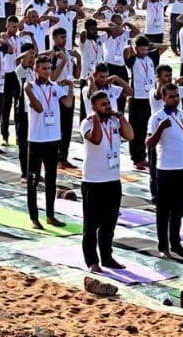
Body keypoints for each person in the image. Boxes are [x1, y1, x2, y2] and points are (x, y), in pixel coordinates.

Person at [80, 90, 133, 272]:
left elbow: (130, 136)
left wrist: (121, 117)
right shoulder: (87, 123)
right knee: (91, 224)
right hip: (93, 181)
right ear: (94, 107)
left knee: (109, 223)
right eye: (103, 104)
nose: (108, 107)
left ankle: (107, 257)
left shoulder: (114, 122)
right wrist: (96, 120)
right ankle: (92, 261)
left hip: (112, 179)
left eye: (108, 103)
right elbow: (96, 139)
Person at [146, 82, 183, 256]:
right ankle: (163, 245)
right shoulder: (156, 117)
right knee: (163, 210)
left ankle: (175, 242)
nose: (175, 99)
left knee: (178, 208)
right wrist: (160, 129)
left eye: (177, 96)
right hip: (166, 169)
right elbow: (149, 144)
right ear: (163, 98)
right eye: (171, 96)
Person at [24, 52, 68, 229]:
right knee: (33, 179)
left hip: (53, 138)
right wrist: (27, 90)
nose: (47, 72)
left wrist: (70, 88)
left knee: (52, 179)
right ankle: (34, 216)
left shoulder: (54, 87)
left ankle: (50, 215)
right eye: (43, 68)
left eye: (49, 68)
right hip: (36, 138)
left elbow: (68, 103)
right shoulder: (31, 87)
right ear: (36, 69)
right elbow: (39, 108)